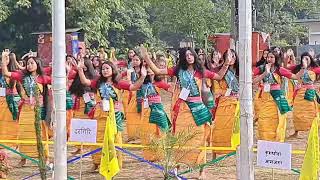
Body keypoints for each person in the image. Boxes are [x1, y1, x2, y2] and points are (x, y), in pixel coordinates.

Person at [142, 45, 231, 179]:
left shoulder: (201, 71)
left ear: (194, 56)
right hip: (183, 109)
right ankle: (176, 169)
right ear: (183, 57)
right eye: (186, 55)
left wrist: (227, 63)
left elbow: (218, 76)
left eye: (191, 54)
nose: (189, 57)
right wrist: (147, 58)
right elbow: (157, 70)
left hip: (198, 109)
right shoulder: (178, 71)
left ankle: (202, 171)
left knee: (199, 140)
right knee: (181, 138)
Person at [78, 60, 147, 171]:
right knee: (98, 139)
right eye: (103, 69)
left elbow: (133, 87)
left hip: (115, 116)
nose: (105, 71)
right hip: (100, 115)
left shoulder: (118, 83)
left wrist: (142, 77)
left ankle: (115, 164)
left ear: (112, 70)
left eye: (107, 68)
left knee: (115, 139)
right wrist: (80, 69)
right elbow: (85, 82)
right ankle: (97, 163)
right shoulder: (98, 82)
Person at [2, 51, 51, 167]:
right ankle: (23, 158)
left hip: (38, 110)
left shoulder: (43, 78)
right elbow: (6, 73)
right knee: (24, 133)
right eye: (28, 63)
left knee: (40, 134)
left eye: (31, 63)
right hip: (25, 110)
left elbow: (59, 81)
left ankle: (45, 158)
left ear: (37, 65)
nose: (29, 65)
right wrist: (4, 61)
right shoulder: (21, 76)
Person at [253, 50, 304, 142]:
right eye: (268, 57)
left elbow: (295, 77)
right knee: (264, 119)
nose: (269, 59)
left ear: (276, 58)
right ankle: (265, 140)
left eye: (272, 57)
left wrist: (303, 68)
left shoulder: (279, 69)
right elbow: (252, 80)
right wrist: (265, 72)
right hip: (265, 97)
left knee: (277, 119)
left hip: (276, 97)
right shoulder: (261, 68)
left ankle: (276, 140)